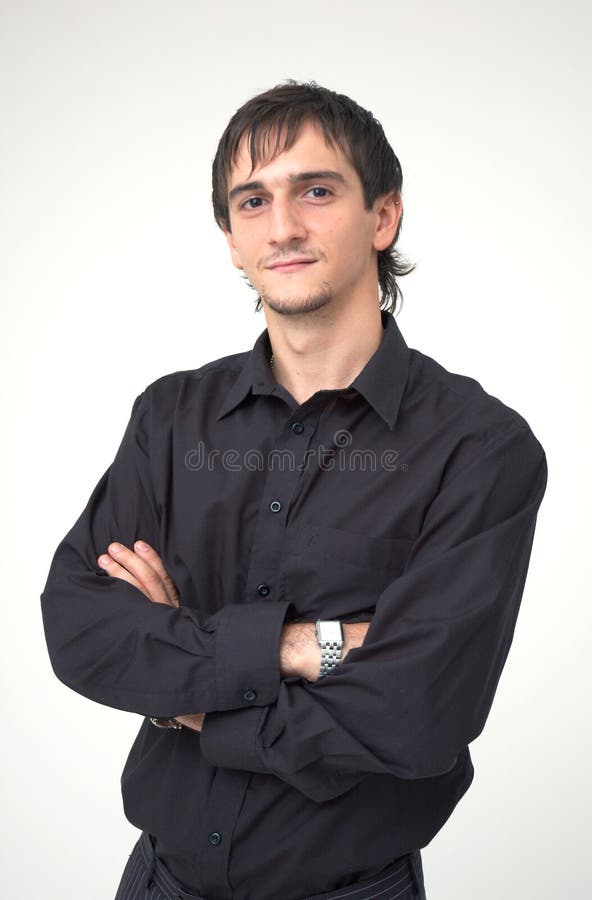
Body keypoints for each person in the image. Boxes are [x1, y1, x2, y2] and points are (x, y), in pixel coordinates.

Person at [41, 80, 548, 900]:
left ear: (382, 217)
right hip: (157, 882)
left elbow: (419, 714)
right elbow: (82, 628)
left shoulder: (480, 448)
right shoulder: (171, 418)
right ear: (231, 240)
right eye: (253, 200)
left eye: (315, 190)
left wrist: (186, 695)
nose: (282, 226)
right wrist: (299, 647)